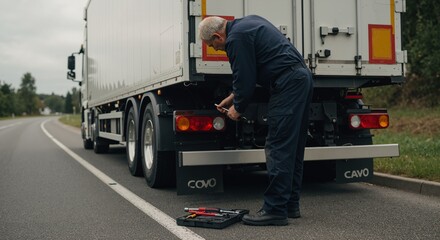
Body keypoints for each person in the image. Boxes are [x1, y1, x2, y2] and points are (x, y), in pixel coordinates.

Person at [198, 15, 313, 226]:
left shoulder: (235, 39)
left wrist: (237, 109)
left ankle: (275, 210)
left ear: (217, 35)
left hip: (287, 84)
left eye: (213, 45)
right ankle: (289, 205)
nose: (216, 49)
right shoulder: (248, 24)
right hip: (300, 78)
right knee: (293, 148)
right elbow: (250, 71)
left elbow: (245, 80)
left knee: (278, 146)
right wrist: (232, 98)